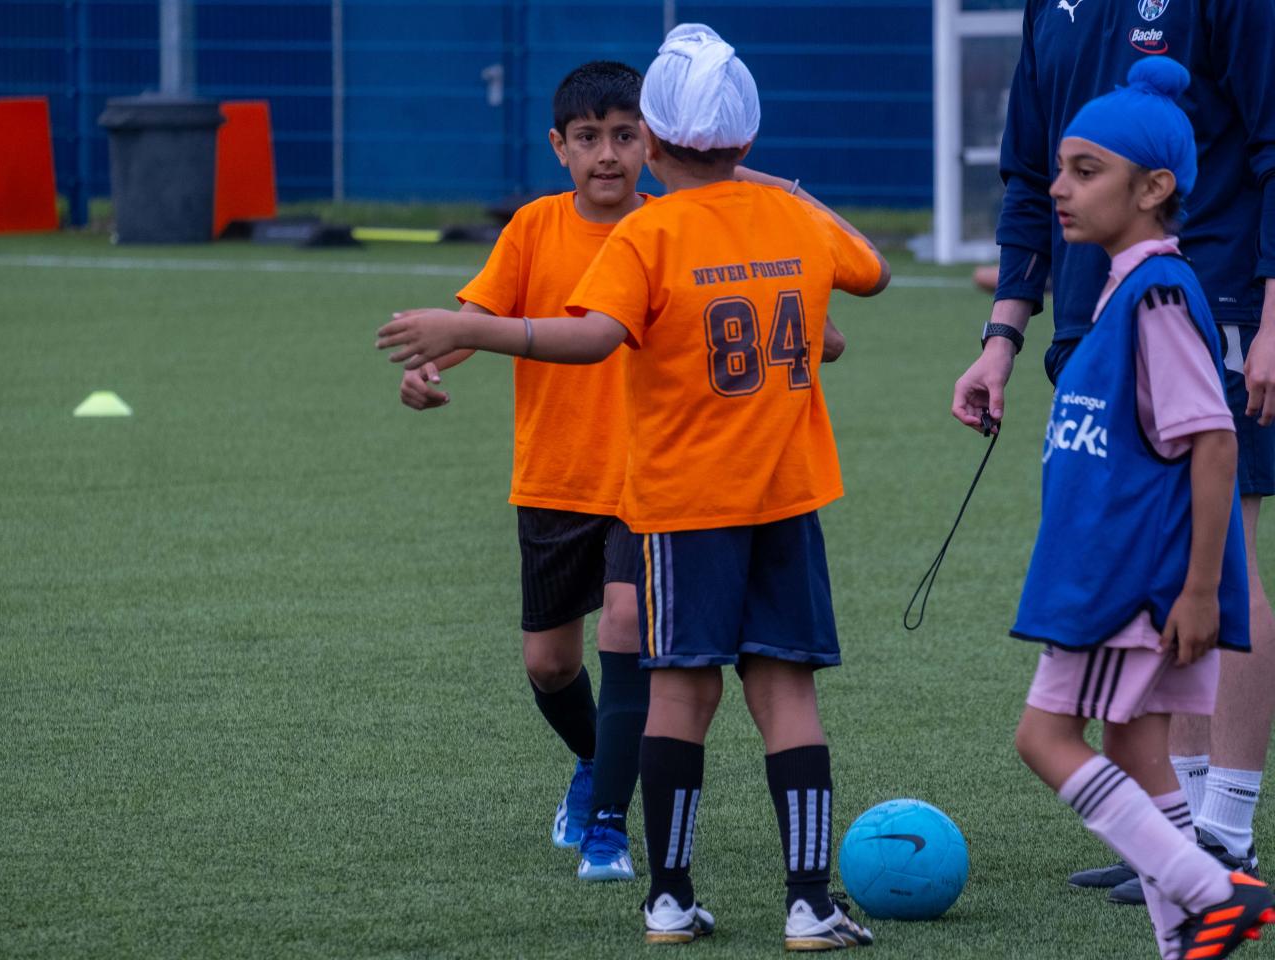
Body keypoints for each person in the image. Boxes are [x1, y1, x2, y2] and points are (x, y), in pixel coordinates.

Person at [378, 23, 888, 950]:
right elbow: (875, 273)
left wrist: (487, 337)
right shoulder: (793, 220)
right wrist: (777, 188)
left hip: (678, 504)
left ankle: (669, 895)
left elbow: (596, 335)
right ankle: (809, 902)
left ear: (650, 142)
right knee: (786, 694)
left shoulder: (649, 230)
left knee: (678, 694)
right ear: (749, 138)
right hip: (784, 497)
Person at [952, 0, 1275, 906]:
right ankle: (1184, 836)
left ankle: (1225, 835)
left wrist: (1271, 318)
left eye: (1086, 170)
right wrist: (1001, 338)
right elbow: (1026, 171)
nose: (1068, 180)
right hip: (1094, 311)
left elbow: (1272, 145)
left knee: (1221, 557)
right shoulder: (1048, 10)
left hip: (1213, 300)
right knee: (1149, 559)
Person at [393, 60, 652, 882]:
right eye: (589, 138)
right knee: (549, 664)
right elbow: (479, 320)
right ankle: (592, 760)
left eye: (624, 135)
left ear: (651, 141)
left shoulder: (669, 227)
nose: (607, 154)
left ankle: (608, 829)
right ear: (559, 147)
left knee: (625, 631)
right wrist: (433, 365)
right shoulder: (536, 227)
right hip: (553, 476)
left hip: (648, 480)